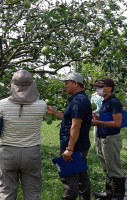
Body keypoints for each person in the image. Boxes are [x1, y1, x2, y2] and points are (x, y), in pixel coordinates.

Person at [0, 70, 47, 200]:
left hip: (8, 152)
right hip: (32, 153)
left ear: (12, 85)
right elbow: (35, 99)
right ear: (32, 85)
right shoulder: (42, 105)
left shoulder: (2, 104)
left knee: (7, 191)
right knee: (32, 192)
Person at [46, 72, 92, 200]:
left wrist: (69, 148)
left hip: (74, 147)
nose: (65, 86)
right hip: (80, 145)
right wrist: (54, 112)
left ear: (75, 83)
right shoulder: (80, 99)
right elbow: (71, 120)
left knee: (70, 179)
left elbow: (76, 126)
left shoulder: (78, 101)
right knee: (82, 176)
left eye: (66, 83)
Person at [91, 78, 125, 200]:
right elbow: (107, 118)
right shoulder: (105, 101)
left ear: (109, 88)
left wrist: (98, 122)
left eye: (101, 86)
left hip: (110, 138)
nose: (98, 89)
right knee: (107, 167)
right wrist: (98, 116)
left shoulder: (114, 102)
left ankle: (118, 195)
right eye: (97, 87)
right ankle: (109, 193)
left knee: (114, 167)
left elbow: (117, 123)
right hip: (102, 138)